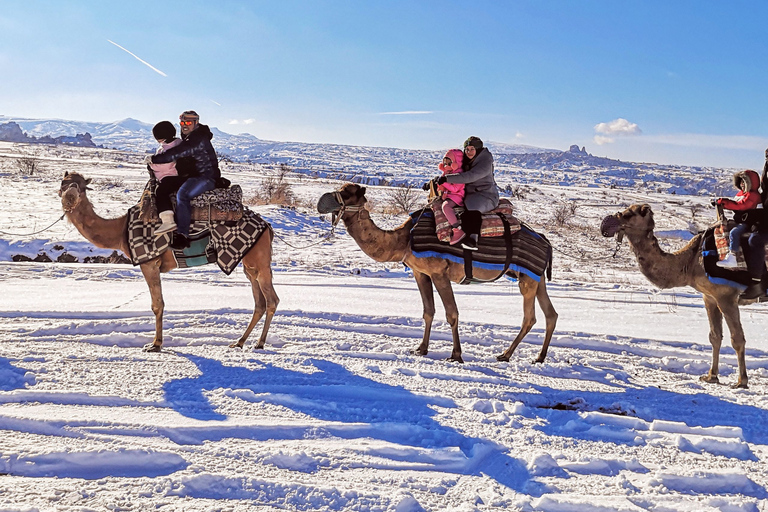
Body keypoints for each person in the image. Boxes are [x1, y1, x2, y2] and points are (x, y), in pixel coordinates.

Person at [149, 110, 221, 249]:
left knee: (183, 195)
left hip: (206, 176)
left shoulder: (197, 139)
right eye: (182, 122)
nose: (184, 125)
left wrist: (154, 159)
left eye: (188, 122)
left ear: (196, 123)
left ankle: (182, 235)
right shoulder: (189, 137)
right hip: (196, 175)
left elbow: (177, 152)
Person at [433, 136, 498, 250]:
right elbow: (453, 168)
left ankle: (473, 239)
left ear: (478, 149)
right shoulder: (467, 160)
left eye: (472, 149)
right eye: (467, 149)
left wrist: (447, 179)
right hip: (468, 194)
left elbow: (470, 176)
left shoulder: (485, 162)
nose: (469, 152)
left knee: (472, 210)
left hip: (485, 195)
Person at [714, 169, 761, 268]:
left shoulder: (753, 195)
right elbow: (736, 205)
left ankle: (733, 257)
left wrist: (725, 202)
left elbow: (742, 206)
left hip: (749, 222)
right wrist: (723, 204)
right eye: (740, 182)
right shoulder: (742, 194)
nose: (742, 184)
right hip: (741, 219)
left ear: (750, 183)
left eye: (744, 182)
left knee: (734, 233)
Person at [148, 121, 186, 235]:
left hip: (172, 177)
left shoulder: (168, 148)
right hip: (178, 176)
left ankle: (168, 220)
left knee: (161, 192)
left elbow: (166, 165)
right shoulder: (178, 144)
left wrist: (151, 164)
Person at [435, 149, 467, 244]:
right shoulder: (447, 172)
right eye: (445, 162)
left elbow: (455, 189)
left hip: (457, 196)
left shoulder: (460, 174)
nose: (446, 165)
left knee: (446, 207)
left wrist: (444, 182)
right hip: (448, 195)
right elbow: (443, 185)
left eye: (449, 162)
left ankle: (457, 229)